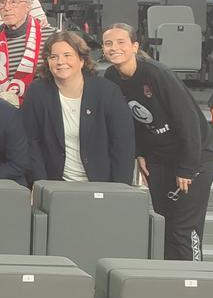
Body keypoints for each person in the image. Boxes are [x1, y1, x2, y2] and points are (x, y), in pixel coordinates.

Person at [103, 24, 213, 261]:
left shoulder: (156, 73)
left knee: (184, 227)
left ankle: (193, 277)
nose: (114, 48)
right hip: (158, 159)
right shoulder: (111, 77)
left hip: (194, 158)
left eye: (121, 42)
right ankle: (169, 277)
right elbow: (127, 121)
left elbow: (188, 120)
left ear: (135, 46)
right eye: (108, 43)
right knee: (164, 224)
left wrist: (187, 167)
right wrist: (140, 152)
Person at [21, 30, 135, 184]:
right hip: (54, 185)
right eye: (53, 57)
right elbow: (31, 142)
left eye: (67, 55)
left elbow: (122, 146)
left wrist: (119, 189)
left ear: (82, 60)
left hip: (101, 186)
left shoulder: (107, 92)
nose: (60, 61)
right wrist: (40, 184)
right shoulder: (37, 91)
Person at [0, 0, 47, 107]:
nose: (7, 8)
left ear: (28, 7)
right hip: (6, 111)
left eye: (14, 2)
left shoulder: (50, 36)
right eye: (2, 2)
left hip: (42, 109)